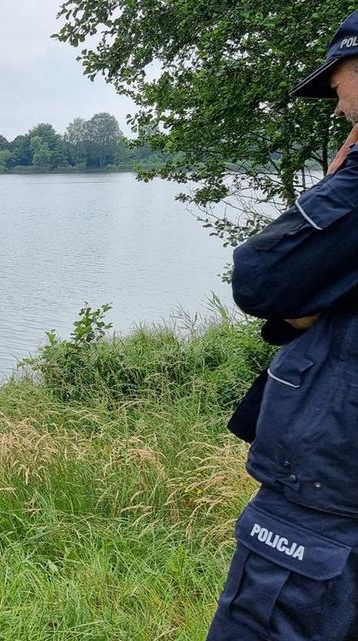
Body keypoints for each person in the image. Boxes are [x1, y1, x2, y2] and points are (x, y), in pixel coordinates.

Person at [206, 11, 358, 640]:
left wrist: (341, 181)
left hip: (329, 500)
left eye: (339, 83)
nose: (337, 108)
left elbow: (261, 278)